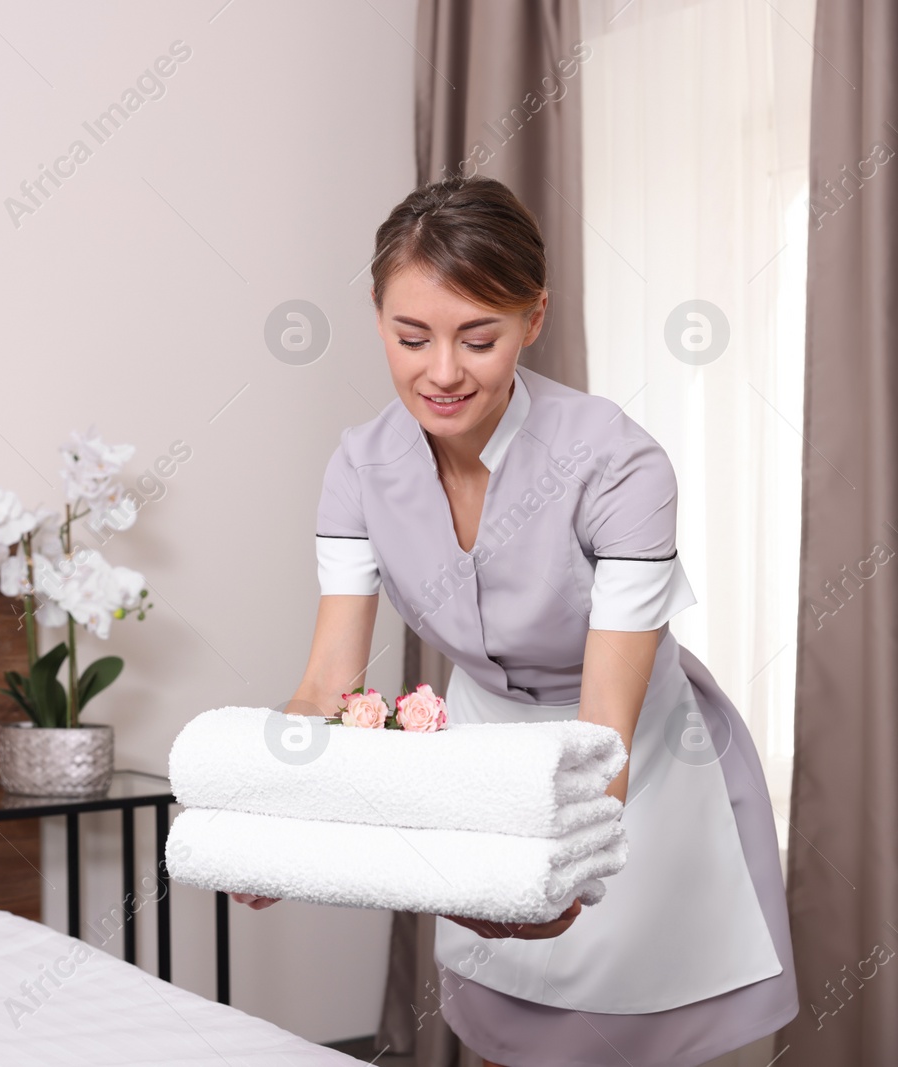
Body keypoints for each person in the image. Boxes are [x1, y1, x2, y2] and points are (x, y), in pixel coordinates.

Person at [232, 177, 798, 1067]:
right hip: (485, 756)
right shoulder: (360, 467)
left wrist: (544, 868)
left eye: (479, 338)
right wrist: (269, 822)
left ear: (534, 319)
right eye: (410, 336)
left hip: (632, 765)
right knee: (508, 1039)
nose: (443, 372)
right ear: (377, 316)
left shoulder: (617, 465)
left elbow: (605, 729)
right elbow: (327, 683)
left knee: (639, 1036)